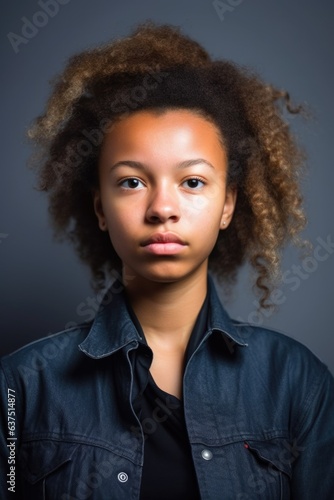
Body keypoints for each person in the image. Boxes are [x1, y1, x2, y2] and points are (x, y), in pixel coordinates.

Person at [1, 21, 333, 499]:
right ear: (99, 208)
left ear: (228, 204)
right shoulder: (20, 388)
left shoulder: (298, 383)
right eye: (132, 182)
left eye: (192, 182)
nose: (162, 208)